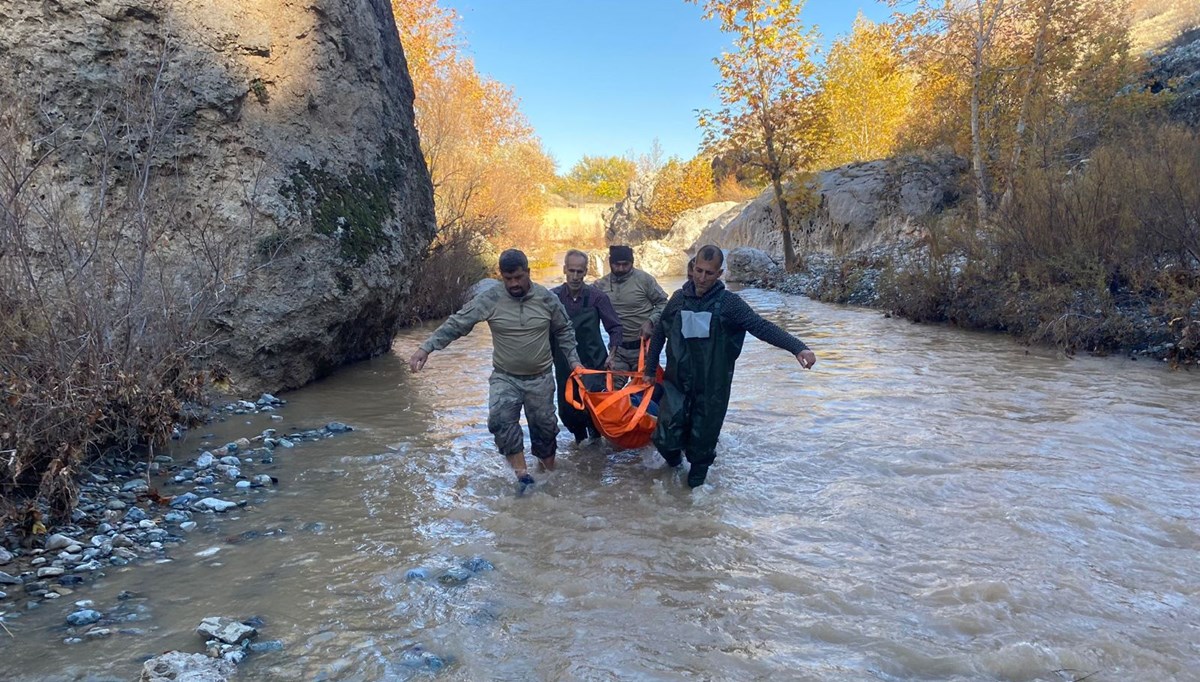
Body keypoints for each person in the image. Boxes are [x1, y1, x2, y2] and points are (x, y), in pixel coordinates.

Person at [644, 244, 817, 488]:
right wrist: (650, 370)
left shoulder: (730, 304)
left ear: (720, 274)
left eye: (709, 273)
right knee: (665, 440)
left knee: (700, 453)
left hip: (712, 390)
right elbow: (660, 332)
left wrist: (798, 347)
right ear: (692, 268)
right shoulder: (678, 299)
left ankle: (692, 503)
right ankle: (674, 470)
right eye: (699, 271)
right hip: (677, 385)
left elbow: (761, 327)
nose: (702, 278)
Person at [409, 249, 581, 492]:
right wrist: (426, 348)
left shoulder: (546, 299)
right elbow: (458, 323)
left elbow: (564, 330)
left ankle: (548, 476)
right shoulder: (490, 299)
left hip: (540, 378)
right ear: (501, 276)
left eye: (518, 278)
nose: (514, 284)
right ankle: (523, 478)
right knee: (500, 421)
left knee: (545, 431)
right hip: (505, 377)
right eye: (507, 279)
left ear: (528, 273)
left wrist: (574, 362)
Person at [550, 249, 624, 443]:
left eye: (580, 272)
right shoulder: (552, 297)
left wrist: (612, 354)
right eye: (572, 271)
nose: (575, 276)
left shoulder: (597, 297)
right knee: (568, 411)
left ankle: (596, 450)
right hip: (564, 364)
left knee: (595, 411)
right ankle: (580, 447)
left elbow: (615, 327)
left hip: (594, 363)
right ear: (565, 269)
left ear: (586, 271)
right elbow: (541, 330)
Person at [594, 245, 668, 375]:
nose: (621, 268)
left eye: (625, 264)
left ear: (632, 263)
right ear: (610, 263)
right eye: (617, 264)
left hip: (643, 348)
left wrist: (650, 321)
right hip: (617, 350)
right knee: (612, 392)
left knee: (646, 391)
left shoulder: (645, 280)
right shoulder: (600, 285)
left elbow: (664, 304)